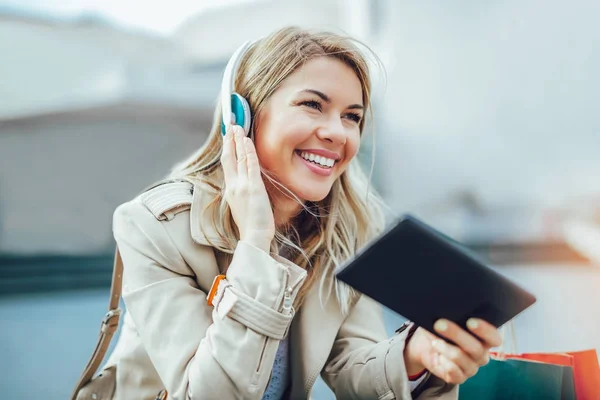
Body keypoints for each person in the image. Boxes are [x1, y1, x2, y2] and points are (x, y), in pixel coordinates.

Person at [101, 26, 502, 399]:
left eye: (352, 117)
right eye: (313, 105)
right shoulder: (155, 227)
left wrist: (415, 355)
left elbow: (350, 364)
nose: (337, 133)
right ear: (240, 118)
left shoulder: (346, 230)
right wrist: (255, 244)